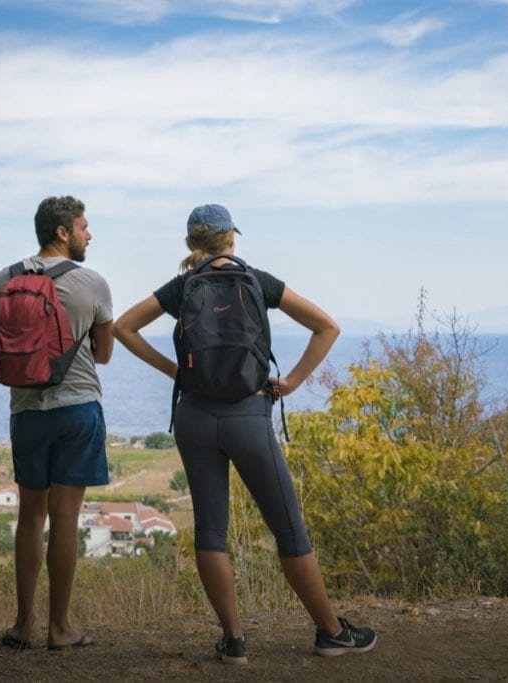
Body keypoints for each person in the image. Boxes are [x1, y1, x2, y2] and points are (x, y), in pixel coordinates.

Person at [112, 203, 377, 663]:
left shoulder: (182, 287)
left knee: (212, 530)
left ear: (192, 243)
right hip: (247, 416)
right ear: (231, 238)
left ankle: (233, 641)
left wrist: (174, 371)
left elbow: (123, 328)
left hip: (194, 418)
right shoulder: (257, 280)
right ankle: (331, 632)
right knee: (289, 530)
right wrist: (291, 382)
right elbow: (327, 327)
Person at [0, 195, 114, 650]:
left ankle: (22, 625)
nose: (89, 234)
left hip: (26, 410)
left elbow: (7, 341)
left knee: (30, 517)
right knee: (65, 518)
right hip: (77, 407)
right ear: (63, 232)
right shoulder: (93, 283)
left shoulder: (4, 279)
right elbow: (103, 353)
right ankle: (59, 628)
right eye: (84, 226)